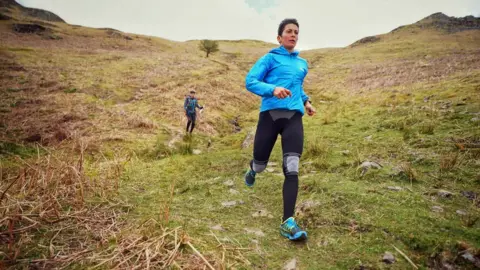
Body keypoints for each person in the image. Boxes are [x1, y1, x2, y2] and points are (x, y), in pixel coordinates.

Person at [244, 18, 316, 241]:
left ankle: (287, 222)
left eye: (296, 32)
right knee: (261, 164)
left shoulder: (302, 63)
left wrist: (306, 101)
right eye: (288, 31)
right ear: (279, 37)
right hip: (270, 116)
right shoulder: (270, 58)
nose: (293, 35)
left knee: (292, 167)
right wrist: (272, 89)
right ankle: (253, 169)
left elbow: (298, 86)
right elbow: (250, 81)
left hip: (294, 117)